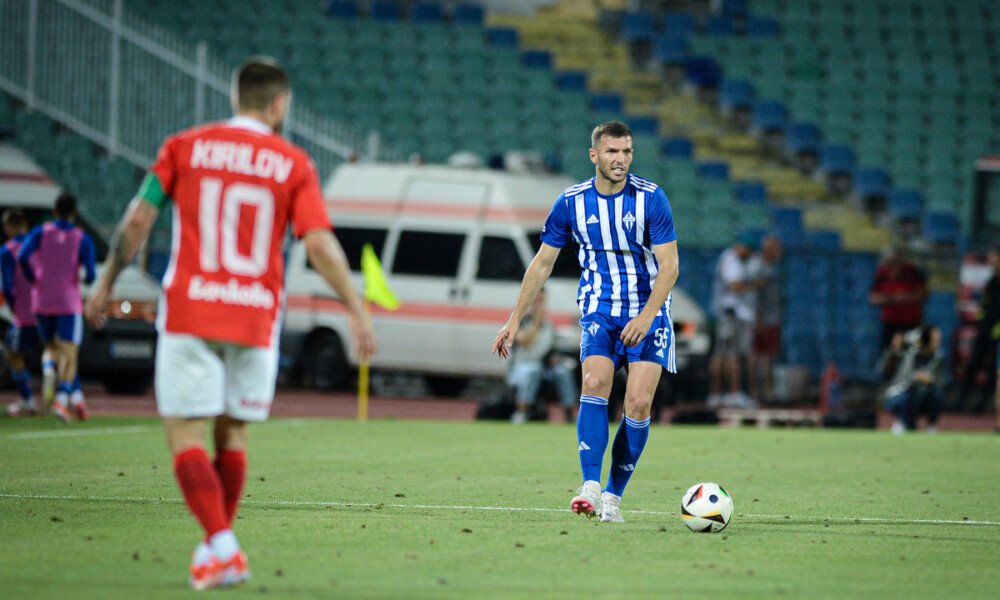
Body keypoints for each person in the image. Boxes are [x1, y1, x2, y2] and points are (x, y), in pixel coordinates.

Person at [84, 56, 376, 590]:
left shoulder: (183, 147)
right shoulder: (293, 163)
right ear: (279, 104)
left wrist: (105, 281)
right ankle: (215, 549)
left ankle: (221, 544)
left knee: (184, 431)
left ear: (233, 97)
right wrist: (356, 308)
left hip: (192, 310)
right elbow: (318, 243)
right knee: (232, 433)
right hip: (255, 317)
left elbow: (138, 218)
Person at [491, 120, 679, 523]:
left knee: (639, 403)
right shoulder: (571, 202)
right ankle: (590, 485)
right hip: (599, 309)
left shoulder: (651, 199)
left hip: (649, 313)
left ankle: (614, 495)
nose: (621, 159)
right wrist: (513, 320)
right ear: (594, 155)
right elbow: (542, 264)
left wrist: (647, 316)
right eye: (613, 151)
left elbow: (669, 266)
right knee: (594, 383)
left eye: (627, 151)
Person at [17, 193, 96, 422]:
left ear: (54, 211)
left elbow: (22, 256)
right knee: (70, 352)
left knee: (51, 347)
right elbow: (91, 275)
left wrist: (35, 278)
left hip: (41, 301)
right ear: (76, 213)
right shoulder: (82, 238)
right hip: (68, 302)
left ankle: (52, 372)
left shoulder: (41, 232)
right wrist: (81, 277)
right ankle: (62, 399)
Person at [506, 287, 577, 424]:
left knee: (563, 371)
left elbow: (551, 348)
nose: (539, 304)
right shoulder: (520, 320)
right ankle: (521, 412)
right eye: (535, 300)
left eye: (541, 300)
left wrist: (554, 359)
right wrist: (536, 322)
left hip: (544, 367)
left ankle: (569, 413)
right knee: (533, 370)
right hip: (521, 367)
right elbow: (524, 340)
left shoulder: (548, 326)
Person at [706, 233, 757, 408]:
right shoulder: (731, 260)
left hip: (729, 312)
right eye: (748, 250)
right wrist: (755, 284)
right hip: (728, 313)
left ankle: (721, 394)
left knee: (725, 353)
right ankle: (728, 394)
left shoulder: (732, 259)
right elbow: (734, 286)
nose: (749, 254)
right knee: (728, 354)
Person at [1, 209, 43, 416]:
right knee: (54, 352)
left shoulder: (7, 250)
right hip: (46, 309)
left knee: (13, 353)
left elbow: (8, 286)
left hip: (23, 313)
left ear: (9, 226)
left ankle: (28, 401)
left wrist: (12, 305)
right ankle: (62, 398)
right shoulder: (38, 245)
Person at [878, 326, 944, 434]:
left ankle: (931, 426)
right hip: (899, 395)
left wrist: (931, 380)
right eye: (935, 340)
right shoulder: (909, 353)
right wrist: (917, 377)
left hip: (922, 396)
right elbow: (883, 369)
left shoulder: (939, 357)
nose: (937, 343)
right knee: (908, 395)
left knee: (936, 394)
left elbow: (941, 382)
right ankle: (901, 422)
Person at [869, 247, 928, 352]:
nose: (895, 267)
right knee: (888, 356)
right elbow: (873, 298)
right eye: (891, 263)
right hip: (890, 324)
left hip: (911, 323)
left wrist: (905, 298)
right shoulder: (881, 274)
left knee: (912, 354)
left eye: (897, 262)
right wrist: (892, 299)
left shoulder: (912, 272)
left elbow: (923, 294)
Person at [748, 234, 782, 403]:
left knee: (768, 355)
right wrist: (759, 319)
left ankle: (767, 392)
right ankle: (758, 392)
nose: (779, 252)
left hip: (770, 318)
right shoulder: (760, 268)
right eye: (776, 249)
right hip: (763, 319)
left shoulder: (769, 267)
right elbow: (757, 295)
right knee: (759, 355)